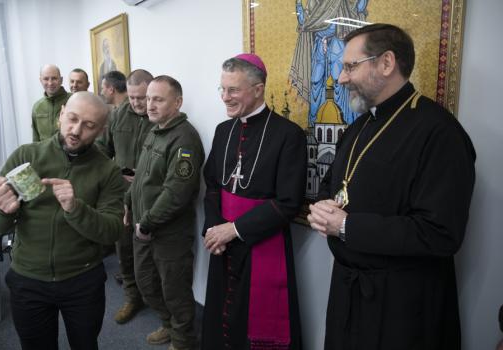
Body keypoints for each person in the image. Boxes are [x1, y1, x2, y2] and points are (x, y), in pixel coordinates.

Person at [307, 23, 475, 349]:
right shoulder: (358, 128)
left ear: (386, 63)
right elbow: (334, 185)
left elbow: (441, 233)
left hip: (402, 304)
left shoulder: (439, 132)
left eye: (350, 67)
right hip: (348, 291)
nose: (341, 78)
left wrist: (346, 225)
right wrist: (323, 206)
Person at [0, 92, 125, 350]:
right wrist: (3, 211)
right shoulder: (26, 155)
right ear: (61, 115)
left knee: (85, 345)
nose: (76, 130)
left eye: (89, 125)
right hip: (28, 279)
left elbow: (112, 231)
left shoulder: (108, 171)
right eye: (72, 119)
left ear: (102, 130)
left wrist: (75, 208)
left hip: (83, 280)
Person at [202, 54, 306, 349]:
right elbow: (212, 185)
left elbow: (288, 202)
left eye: (233, 90)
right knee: (221, 317)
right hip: (221, 240)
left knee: (254, 321)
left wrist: (233, 229)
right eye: (221, 89)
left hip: (261, 241)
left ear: (258, 89)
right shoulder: (224, 130)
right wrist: (214, 229)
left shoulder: (288, 135)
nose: (225, 97)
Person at [130, 75, 204, 350]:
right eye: (148, 99)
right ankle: (168, 325)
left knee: (175, 291)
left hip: (168, 232)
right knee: (146, 282)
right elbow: (141, 178)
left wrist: (146, 223)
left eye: (158, 99)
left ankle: (184, 341)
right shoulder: (154, 130)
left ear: (177, 102)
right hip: (143, 226)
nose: (149, 105)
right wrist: (129, 202)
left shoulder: (185, 139)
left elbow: (177, 193)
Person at [95, 69, 155, 324]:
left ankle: (158, 302)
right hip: (122, 197)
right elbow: (100, 150)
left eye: (142, 97)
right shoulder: (117, 115)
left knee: (154, 254)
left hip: (151, 199)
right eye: (132, 97)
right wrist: (114, 173)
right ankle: (132, 298)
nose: (138, 103)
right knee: (125, 252)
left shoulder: (159, 115)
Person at [32, 64, 71, 142]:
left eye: (54, 78)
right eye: (46, 79)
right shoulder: (37, 107)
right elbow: (36, 140)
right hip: (45, 153)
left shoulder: (73, 100)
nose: (50, 83)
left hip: (69, 153)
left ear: (61, 80)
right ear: (40, 80)